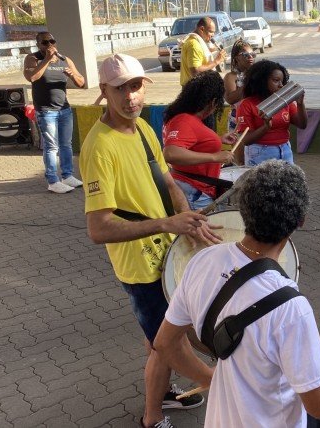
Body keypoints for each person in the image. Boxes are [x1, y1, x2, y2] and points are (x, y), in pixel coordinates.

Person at [155, 160, 320, 427]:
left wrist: (210, 378)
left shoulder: (202, 261)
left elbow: (164, 343)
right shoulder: (290, 307)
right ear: (301, 221)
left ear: (244, 210)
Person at [81, 53, 223, 428]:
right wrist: (166, 224)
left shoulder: (143, 128)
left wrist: (187, 219)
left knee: (159, 340)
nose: (131, 97)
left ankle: (154, 409)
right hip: (138, 265)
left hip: (166, 253)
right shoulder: (99, 147)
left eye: (136, 86)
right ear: (104, 92)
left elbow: (168, 180)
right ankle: (215, 384)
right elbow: (99, 228)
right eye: (121, 89)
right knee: (167, 341)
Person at [162, 71, 238, 211]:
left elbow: (192, 144)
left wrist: (218, 140)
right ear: (214, 102)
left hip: (194, 188)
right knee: (205, 231)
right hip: (194, 191)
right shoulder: (185, 120)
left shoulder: (184, 117)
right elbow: (171, 153)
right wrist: (215, 157)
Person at [23, 31, 86, 193]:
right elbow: (32, 77)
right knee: (51, 147)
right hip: (46, 111)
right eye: (45, 42)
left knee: (66, 144)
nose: (50, 44)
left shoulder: (65, 60)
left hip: (64, 109)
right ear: (38, 45)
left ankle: (67, 175)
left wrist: (73, 76)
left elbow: (81, 82)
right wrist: (46, 60)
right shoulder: (33, 58)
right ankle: (52, 180)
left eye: (52, 41)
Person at [236, 59, 307, 166]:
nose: (281, 85)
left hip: (285, 150)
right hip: (260, 153)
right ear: (262, 81)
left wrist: (300, 104)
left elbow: (302, 124)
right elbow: (245, 140)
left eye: (282, 81)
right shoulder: (247, 104)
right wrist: (265, 127)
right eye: (276, 80)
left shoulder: (283, 101)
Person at [180, 17, 227, 87]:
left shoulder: (195, 42)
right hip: (195, 90)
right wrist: (216, 61)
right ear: (202, 29)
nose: (213, 35)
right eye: (211, 31)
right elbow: (195, 71)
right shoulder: (194, 45)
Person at [223, 39, 256, 134]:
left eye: (253, 54)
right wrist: (249, 82)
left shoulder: (258, 74)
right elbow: (230, 99)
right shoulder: (231, 76)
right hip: (238, 121)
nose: (250, 57)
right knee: (239, 148)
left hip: (256, 118)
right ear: (237, 58)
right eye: (245, 55)